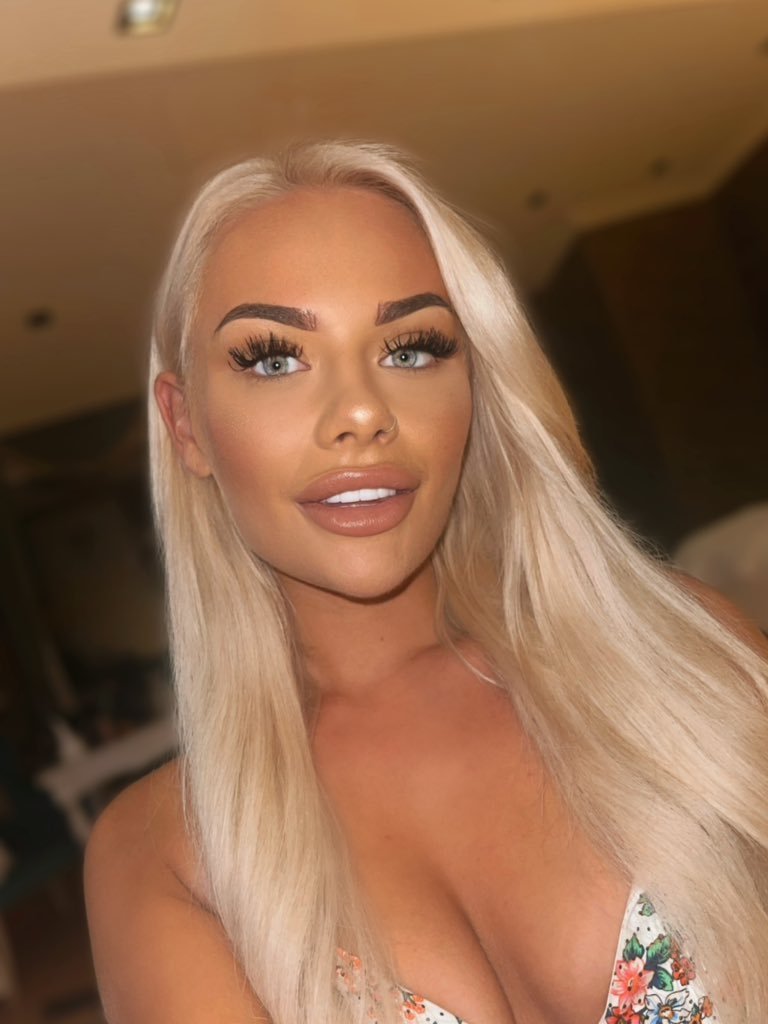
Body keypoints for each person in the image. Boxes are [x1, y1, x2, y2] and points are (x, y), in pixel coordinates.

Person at [83, 141, 768, 1024]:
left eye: (411, 349)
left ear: (475, 383)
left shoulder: (686, 654)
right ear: (187, 429)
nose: (360, 412)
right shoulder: (163, 857)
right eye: (274, 358)